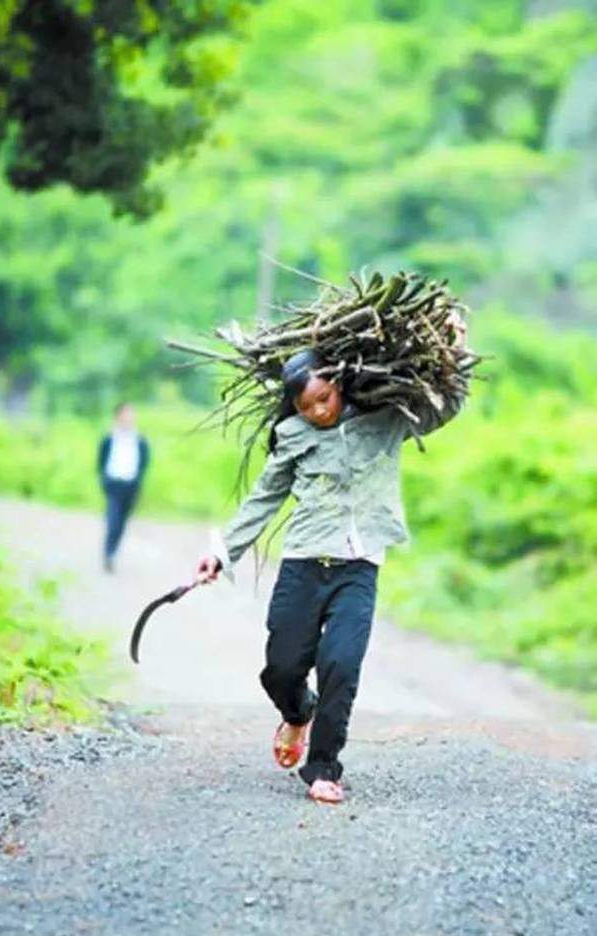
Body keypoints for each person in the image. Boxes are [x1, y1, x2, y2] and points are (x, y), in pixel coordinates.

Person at [196, 321, 468, 804]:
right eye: (307, 406)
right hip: (303, 563)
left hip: (359, 567)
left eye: (325, 398)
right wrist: (220, 554)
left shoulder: (386, 419)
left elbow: (444, 407)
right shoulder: (292, 435)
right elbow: (264, 498)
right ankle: (298, 712)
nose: (318, 411)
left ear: (339, 384)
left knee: (341, 663)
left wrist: (455, 347)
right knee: (281, 667)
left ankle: (323, 766)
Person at [98, 402, 150, 572]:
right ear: (118, 416)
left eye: (131, 414)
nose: (130, 417)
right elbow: (101, 460)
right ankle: (108, 552)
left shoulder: (139, 439)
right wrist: (104, 480)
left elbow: (144, 462)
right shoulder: (109, 438)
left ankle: (113, 552)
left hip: (131, 485)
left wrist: (138, 481)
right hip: (113, 483)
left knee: (122, 522)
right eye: (126, 414)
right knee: (113, 518)